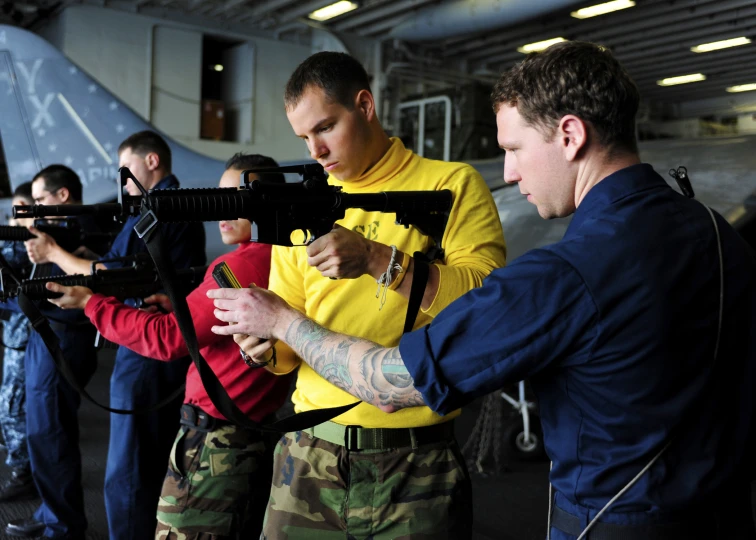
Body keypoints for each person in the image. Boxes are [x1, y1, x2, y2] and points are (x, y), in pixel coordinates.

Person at [210, 41, 756, 540]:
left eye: (514, 148)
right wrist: (268, 343)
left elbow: (390, 382)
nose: (511, 173)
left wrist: (290, 318)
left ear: (570, 135)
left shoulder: (560, 273)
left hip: (606, 517)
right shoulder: (717, 232)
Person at [217, 52, 506, 539]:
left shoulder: (451, 184)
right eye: (304, 138)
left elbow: (487, 308)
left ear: (365, 105)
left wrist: (379, 259)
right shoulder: (300, 206)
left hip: (417, 459)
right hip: (309, 451)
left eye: (325, 127)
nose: (316, 150)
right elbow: (286, 351)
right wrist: (261, 349)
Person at [46, 153, 294, 539]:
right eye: (220, 198)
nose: (221, 212)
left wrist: (89, 303)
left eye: (235, 198)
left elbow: (166, 338)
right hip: (251, 432)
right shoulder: (283, 258)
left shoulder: (241, 265)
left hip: (216, 439)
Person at [25, 131, 207, 540]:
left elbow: (117, 277)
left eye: (126, 170)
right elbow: (120, 265)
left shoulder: (162, 209)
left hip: (147, 346)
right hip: (143, 342)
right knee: (140, 465)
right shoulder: (152, 208)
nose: (122, 181)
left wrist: (56, 253)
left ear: (153, 162)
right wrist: (88, 260)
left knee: (129, 473)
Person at [5, 166, 102, 539]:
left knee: (52, 430)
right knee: (42, 431)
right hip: (44, 334)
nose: (36, 207)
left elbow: (94, 275)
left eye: (41, 199)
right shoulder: (55, 233)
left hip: (64, 337)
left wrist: (55, 252)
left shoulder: (90, 227)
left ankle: (62, 524)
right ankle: (52, 512)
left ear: (63, 197)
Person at [0, 182, 36, 502]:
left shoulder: (30, 242)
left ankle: (24, 471)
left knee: (12, 408)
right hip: (17, 334)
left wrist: (15, 229)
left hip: (25, 336)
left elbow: (7, 264)